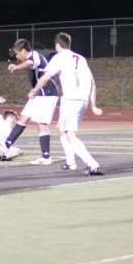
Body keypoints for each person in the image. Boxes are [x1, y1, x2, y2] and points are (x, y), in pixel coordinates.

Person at [27, 32, 104, 175]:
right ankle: (70, 162)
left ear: (57, 45)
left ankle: (92, 164)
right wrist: (93, 105)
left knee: (71, 135)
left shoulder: (59, 57)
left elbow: (45, 77)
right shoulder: (81, 58)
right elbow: (93, 83)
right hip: (82, 100)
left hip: (71, 100)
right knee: (60, 127)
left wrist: (34, 90)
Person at [5, 39, 59, 165]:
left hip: (47, 93)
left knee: (41, 123)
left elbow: (29, 63)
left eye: (18, 54)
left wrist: (16, 66)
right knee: (23, 118)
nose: (17, 57)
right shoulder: (31, 57)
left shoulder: (34, 56)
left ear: (24, 51)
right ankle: (5, 145)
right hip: (39, 93)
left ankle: (46, 156)